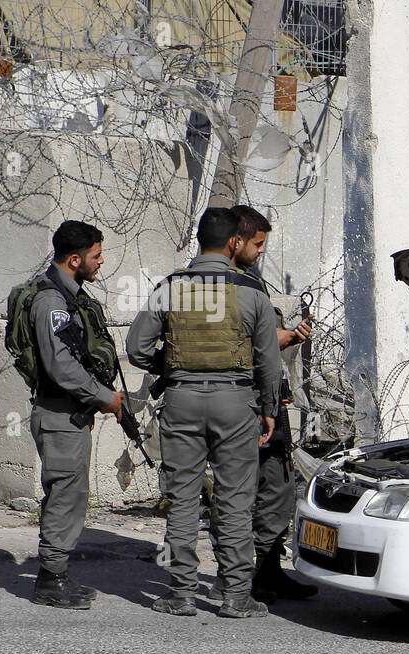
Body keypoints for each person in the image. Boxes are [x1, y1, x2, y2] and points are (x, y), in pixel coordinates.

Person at [127, 207, 279, 618]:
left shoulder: (169, 287)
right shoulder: (252, 293)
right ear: (234, 242)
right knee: (234, 499)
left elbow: (137, 349)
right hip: (236, 403)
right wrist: (268, 410)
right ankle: (234, 596)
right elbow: (268, 362)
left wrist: (175, 366)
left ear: (198, 239)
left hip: (181, 401)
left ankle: (181, 594)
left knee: (182, 498)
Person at [26, 220, 124, 608]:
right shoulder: (52, 302)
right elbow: (60, 367)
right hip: (57, 414)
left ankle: (57, 573)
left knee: (70, 493)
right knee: (65, 495)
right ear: (74, 259)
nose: (101, 262)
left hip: (68, 415)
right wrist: (104, 397)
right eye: (96, 255)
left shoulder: (69, 296)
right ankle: (50, 581)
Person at [228, 204, 316, 603]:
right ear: (237, 240)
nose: (261, 251)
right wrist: (280, 338)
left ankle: (267, 570)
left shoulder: (247, 282)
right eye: (257, 244)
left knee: (276, 486)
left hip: (266, 396)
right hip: (247, 402)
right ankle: (243, 579)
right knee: (252, 488)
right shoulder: (229, 286)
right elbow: (246, 343)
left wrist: (285, 336)